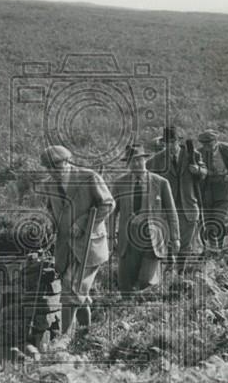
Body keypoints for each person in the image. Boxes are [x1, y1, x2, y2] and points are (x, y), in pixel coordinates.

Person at [39, 144, 115, 343]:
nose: (53, 172)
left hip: (89, 246)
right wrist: (49, 226)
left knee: (71, 292)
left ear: (66, 161)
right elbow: (50, 210)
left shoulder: (88, 177)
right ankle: (85, 336)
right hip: (65, 249)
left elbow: (108, 204)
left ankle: (63, 341)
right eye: (49, 168)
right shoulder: (49, 185)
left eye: (56, 167)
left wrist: (82, 223)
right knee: (80, 295)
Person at [112, 144, 180, 293]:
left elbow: (171, 212)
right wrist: (111, 236)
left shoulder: (160, 183)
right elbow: (112, 212)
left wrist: (175, 238)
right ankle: (128, 308)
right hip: (128, 238)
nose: (136, 164)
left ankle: (145, 306)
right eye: (132, 161)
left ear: (145, 160)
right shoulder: (120, 183)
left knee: (147, 279)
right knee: (126, 281)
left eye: (139, 160)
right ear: (128, 164)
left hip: (152, 237)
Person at [147, 125, 206, 267]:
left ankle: (180, 270)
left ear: (178, 141)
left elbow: (204, 172)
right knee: (168, 239)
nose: (170, 146)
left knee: (185, 242)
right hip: (167, 206)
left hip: (188, 205)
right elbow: (146, 173)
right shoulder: (157, 159)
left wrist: (197, 170)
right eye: (167, 143)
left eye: (172, 142)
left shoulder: (193, 155)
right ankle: (169, 264)